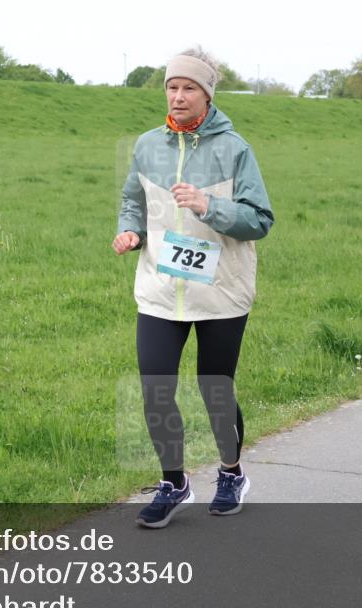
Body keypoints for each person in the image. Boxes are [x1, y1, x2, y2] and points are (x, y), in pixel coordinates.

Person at [112, 47, 274, 528]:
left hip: (220, 291)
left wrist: (209, 206)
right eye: (172, 87)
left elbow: (260, 220)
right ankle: (173, 482)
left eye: (189, 88)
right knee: (155, 389)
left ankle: (230, 472)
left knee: (214, 389)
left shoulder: (235, 148)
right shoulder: (146, 145)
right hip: (161, 288)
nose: (178, 96)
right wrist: (132, 232)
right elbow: (132, 201)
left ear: (207, 95)